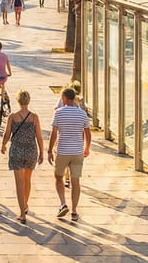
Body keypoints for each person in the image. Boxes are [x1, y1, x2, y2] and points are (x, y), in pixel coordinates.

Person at [49, 87, 91, 222]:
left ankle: (63, 204)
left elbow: (54, 134)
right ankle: (74, 211)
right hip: (77, 151)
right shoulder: (82, 114)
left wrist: (49, 150)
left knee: (58, 176)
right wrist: (87, 148)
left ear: (65, 98)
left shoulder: (58, 113)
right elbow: (87, 134)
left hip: (62, 151)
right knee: (76, 181)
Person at [1, 90, 44, 223]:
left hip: (17, 151)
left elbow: (7, 134)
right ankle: (25, 205)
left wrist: (3, 145)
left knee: (19, 184)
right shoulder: (34, 117)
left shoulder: (12, 117)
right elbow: (39, 137)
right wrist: (42, 152)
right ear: (28, 101)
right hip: (31, 151)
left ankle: (22, 213)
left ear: (18, 101)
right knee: (27, 180)